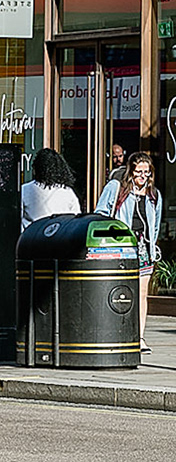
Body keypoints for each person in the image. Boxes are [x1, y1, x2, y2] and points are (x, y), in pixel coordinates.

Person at [97, 152, 163, 354]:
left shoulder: (154, 195)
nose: (143, 176)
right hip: (122, 246)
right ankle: (116, 333)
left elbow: (155, 224)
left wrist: (152, 248)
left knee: (142, 293)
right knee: (120, 291)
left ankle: (139, 338)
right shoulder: (117, 188)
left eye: (146, 172)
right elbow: (101, 213)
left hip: (144, 248)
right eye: (138, 172)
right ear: (131, 171)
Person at [21, 147, 81, 227]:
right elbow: (76, 219)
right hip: (60, 237)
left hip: (31, 236)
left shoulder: (25, 190)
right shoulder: (68, 192)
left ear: (35, 168)